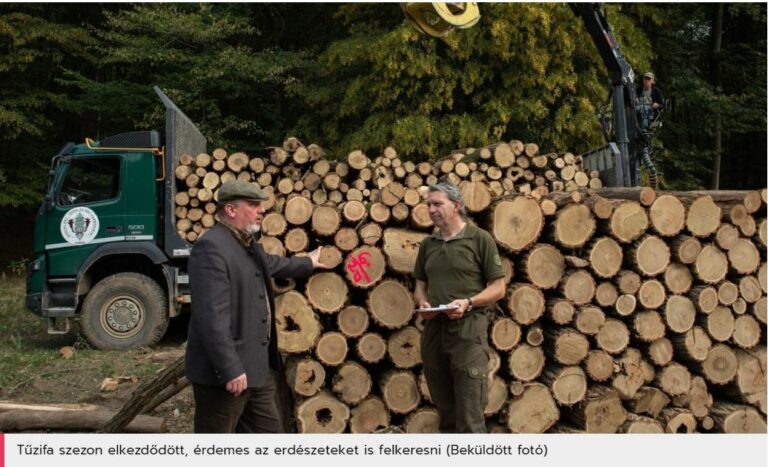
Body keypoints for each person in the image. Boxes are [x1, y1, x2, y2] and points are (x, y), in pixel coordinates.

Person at [185, 180, 329, 433]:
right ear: (231, 210)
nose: (261, 210)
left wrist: (307, 262)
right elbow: (211, 318)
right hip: (225, 378)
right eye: (253, 205)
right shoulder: (211, 248)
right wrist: (229, 369)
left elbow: (272, 264)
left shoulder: (246, 243)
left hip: (256, 370)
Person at [412, 182, 506, 433]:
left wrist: (469, 303)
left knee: (470, 416)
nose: (431, 209)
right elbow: (419, 284)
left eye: (437, 204)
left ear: (455, 206)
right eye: (428, 204)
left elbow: (498, 287)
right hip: (434, 331)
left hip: (468, 331)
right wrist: (423, 303)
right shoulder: (428, 244)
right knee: (446, 412)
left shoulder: (479, 239)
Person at [636, 71, 665, 186]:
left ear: (652, 81)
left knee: (643, 109)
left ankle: (643, 130)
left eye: (648, 79)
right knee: (638, 108)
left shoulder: (656, 91)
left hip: (650, 113)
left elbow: (662, 104)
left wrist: (657, 104)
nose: (646, 80)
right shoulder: (639, 90)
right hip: (638, 111)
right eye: (645, 78)